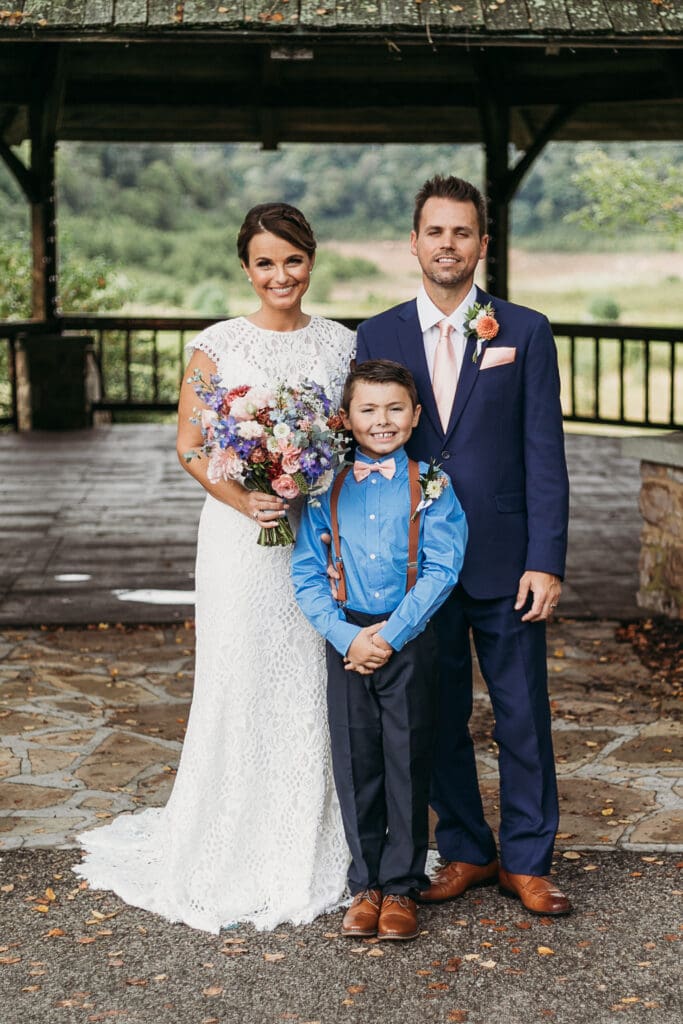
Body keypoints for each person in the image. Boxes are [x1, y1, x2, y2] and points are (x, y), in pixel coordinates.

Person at [75, 202, 355, 933]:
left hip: (315, 533)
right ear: (245, 267)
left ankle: (314, 835)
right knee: (239, 671)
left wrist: (306, 491)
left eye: (292, 259)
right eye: (265, 262)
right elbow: (193, 445)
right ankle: (227, 837)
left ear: (311, 261)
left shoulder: (339, 346)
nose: (280, 275)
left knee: (308, 677)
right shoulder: (216, 345)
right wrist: (248, 502)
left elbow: (351, 441)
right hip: (240, 538)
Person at [355, 175, 571, 916]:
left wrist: (546, 558)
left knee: (520, 712)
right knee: (436, 717)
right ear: (413, 242)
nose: (448, 245)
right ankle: (469, 851)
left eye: (462, 232)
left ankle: (528, 859)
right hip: (415, 565)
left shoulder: (525, 329)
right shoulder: (375, 335)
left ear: (482, 243)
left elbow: (544, 450)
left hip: (506, 557)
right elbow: (369, 450)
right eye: (435, 232)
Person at [292, 360, 467, 940]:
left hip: (409, 636)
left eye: (395, 408)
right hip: (347, 638)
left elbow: (441, 570)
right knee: (356, 760)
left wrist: (389, 635)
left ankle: (401, 886)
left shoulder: (431, 484)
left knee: (406, 760)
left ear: (416, 416)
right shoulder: (326, 487)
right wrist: (348, 637)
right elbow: (307, 572)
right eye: (368, 409)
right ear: (347, 418)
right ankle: (364, 884)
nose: (382, 420)